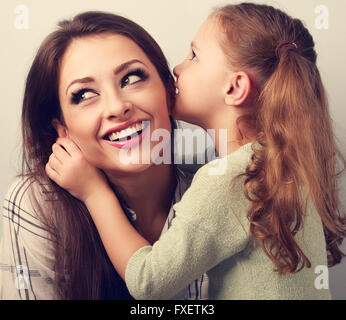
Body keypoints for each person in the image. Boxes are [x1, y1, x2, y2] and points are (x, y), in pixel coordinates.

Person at [46, 3, 346, 299]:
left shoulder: (226, 181)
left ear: (234, 88)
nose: (177, 67)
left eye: (193, 56)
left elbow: (147, 280)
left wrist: (94, 193)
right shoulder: (288, 167)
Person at [0, 11, 209, 300]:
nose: (116, 106)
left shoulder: (223, 188)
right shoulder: (37, 205)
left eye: (131, 78)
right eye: (84, 95)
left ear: (169, 91)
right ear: (62, 128)